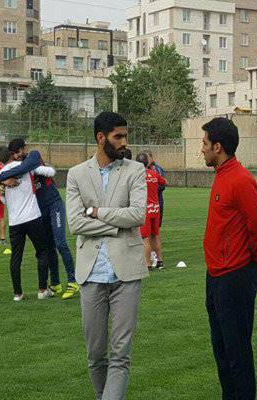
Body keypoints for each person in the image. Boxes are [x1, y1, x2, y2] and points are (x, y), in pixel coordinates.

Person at [66, 112, 147, 400]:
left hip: (127, 273)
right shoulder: (76, 174)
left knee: (121, 353)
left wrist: (98, 212)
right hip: (91, 274)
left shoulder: (135, 170)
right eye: (118, 136)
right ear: (101, 138)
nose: (125, 141)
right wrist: (116, 226)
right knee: (95, 354)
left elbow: (137, 215)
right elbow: (75, 224)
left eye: (125, 135)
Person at [200, 117, 257, 400]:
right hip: (215, 276)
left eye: (204, 144)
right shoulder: (222, 175)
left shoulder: (241, 179)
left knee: (237, 352)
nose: (201, 149)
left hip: (234, 277)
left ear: (218, 147)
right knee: (222, 352)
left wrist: (255, 266)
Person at [0, 147, 79, 300]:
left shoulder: (31, 162)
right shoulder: (16, 171)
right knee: (48, 247)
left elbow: (51, 171)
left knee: (60, 243)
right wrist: (3, 183)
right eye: (15, 153)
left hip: (54, 205)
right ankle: (55, 283)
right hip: (39, 211)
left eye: (20, 151)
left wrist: (2, 178)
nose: (18, 154)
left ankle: (73, 282)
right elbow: (2, 196)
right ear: (12, 155)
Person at [136, 152, 167, 270]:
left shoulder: (138, 176)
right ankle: (160, 261)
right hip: (155, 208)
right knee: (156, 235)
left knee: (145, 238)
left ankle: (148, 264)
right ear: (146, 162)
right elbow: (164, 182)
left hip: (145, 210)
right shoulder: (154, 173)